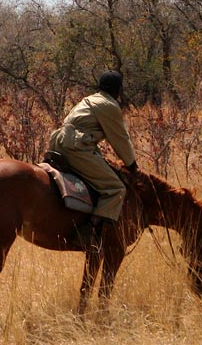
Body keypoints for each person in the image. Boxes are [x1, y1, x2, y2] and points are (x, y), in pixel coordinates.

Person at [49, 70, 139, 241]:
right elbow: (119, 138)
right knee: (116, 188)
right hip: (76, 146)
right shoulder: (109, 105)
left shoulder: (90, 99)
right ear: (119, 89)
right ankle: (90, 229)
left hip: (59, 142)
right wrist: (132, 165)